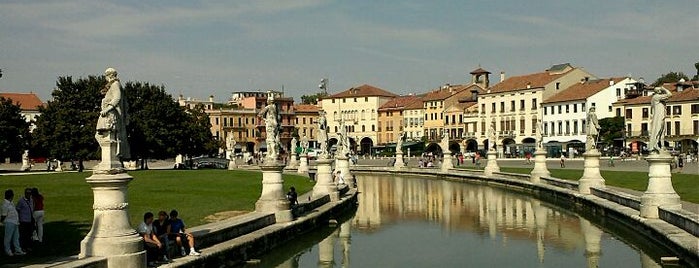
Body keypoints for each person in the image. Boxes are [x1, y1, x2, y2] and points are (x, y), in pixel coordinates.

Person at [2, 190, 25, 256]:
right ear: (11, 196)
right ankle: (8, 250)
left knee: (16, 237)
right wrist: (1, 221)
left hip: (15, 222)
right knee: (8, 237)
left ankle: (18, 250)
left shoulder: (10, 203)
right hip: (9, 222)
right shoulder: (5, 204)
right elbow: (3, 215)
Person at [16, 188, 33, 252]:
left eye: (29, 193)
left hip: (29, 220)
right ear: (25, 193)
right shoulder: (21, 201)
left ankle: (28, 246)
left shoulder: (31, 200)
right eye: (27, 193)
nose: (28, 194)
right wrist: (19, 218)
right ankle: (23, 247)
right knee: (23, 235)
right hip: (23, 221)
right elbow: (17, 209)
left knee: (29, 234)